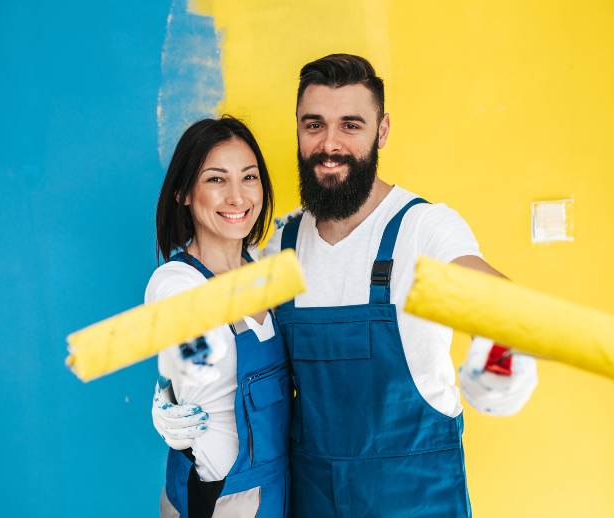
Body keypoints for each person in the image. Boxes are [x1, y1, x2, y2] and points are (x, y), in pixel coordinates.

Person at [155, 55, 538, 517]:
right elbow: (233, 355)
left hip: (415, 499)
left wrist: (503, 358)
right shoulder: (284, 243)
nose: (329, 144)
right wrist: (173, 401)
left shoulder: (423, 229)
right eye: (314, 125)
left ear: (382, 131)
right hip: (313, 499)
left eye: (350, 125)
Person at [148, 116, 290, 518]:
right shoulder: (176, 283)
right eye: (215, 180)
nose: (237, 197)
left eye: (249, 177)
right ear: (183, 193)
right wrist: (169, 383)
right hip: (223, 502)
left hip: (281, 491)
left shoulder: (265, 273)